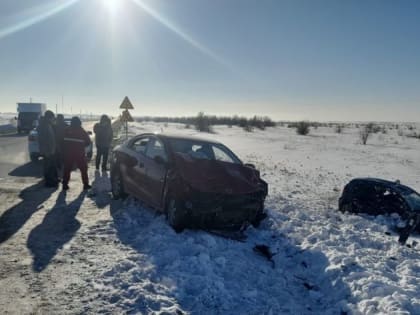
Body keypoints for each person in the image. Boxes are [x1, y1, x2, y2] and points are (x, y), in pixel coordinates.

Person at [62, 116, 92, 190]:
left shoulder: (66, 130)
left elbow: (61, 141)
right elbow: (88, 142)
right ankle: (85, 184)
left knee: (67, 169)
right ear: (79, 123)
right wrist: (82, 146)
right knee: (83, 169)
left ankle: (65, 184)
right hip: (79, 153)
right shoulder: (81, 131)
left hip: (68, 153)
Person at [37, 110, 58, 187]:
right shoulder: (44, 125)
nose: (53, 119)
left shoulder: (47, 124)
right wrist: (47, 151)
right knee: (48, 167)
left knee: (51, 166)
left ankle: (53, 180)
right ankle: (49, 182)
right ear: (49, 117)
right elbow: (43, 140)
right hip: (47, 151)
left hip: (50, 150)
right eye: (52, 117)